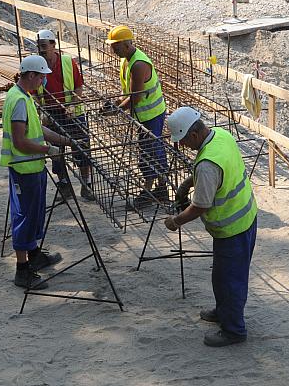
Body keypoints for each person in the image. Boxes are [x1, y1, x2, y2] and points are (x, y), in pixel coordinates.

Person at [164, 107, 258, 347]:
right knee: (222, 276)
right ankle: (223, 311)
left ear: (193, 135)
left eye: (183, 141)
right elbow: (219, 175)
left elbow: (199, 206)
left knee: (231, 280)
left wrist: (176, 221)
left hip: (232, 229)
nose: (182, 145)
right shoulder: (221, 135)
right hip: (246, 217)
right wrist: (191, 181)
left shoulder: (207, 164)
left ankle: (234, 330)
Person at [0, 55, 74, 289]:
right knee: (25, 217)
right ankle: (22, 271)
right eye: (41, 77)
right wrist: (48, 149)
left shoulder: (23, 96)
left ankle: (34, 255)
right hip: (25, 168)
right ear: (31, 75)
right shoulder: (19, 100)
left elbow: (36, 128)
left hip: (33, 167)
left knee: (34, 214)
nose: (44, 81)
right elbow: (21, 141)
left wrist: (63, 140)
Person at [105, 25, 168, 208]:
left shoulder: (138, 64)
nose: (113, 50)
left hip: (151, 114)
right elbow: (129, 92)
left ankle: (152, 190)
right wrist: (117, 103)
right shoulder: (127, 60)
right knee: (151, 148)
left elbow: (136, 97)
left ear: (126, 44)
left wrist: (117, 110)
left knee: (150, 151)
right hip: (144, 114)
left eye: (116, 46)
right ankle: (160, 187)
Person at [35, 29, 94, 201]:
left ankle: (86, 185)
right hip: (51, 114)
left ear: (54, 45)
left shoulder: (68, 62)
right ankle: (64, 185)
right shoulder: (36, 64)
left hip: (72, 113)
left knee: (82, 148)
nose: (42, 50)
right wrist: (42, 110)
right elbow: (33, 94)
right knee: (56, 153)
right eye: (39, 47)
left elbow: (78, 88)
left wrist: (72, 104)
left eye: (44, 46)